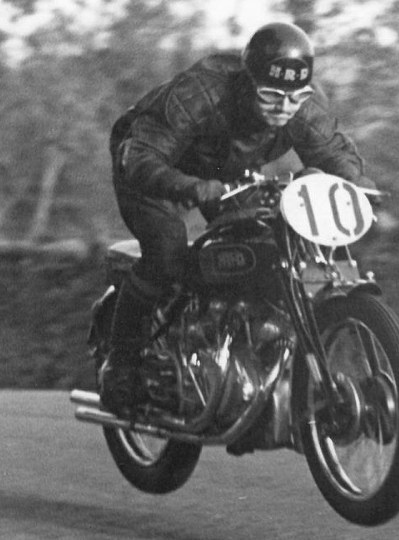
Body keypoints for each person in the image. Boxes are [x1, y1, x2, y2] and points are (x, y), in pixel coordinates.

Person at [100, 21, 375, 414]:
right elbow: (140, 156)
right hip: (148, 161)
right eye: (270, 95)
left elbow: (334, 152)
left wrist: (359, 186)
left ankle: (239, 360)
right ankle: (121, 363)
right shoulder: (200, 93)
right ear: (248, 82)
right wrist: (189, 186)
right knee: (166, 249)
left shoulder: (303, 107)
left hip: (224, 171)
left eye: (296, 96)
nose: (284, 107)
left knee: (261, 242)